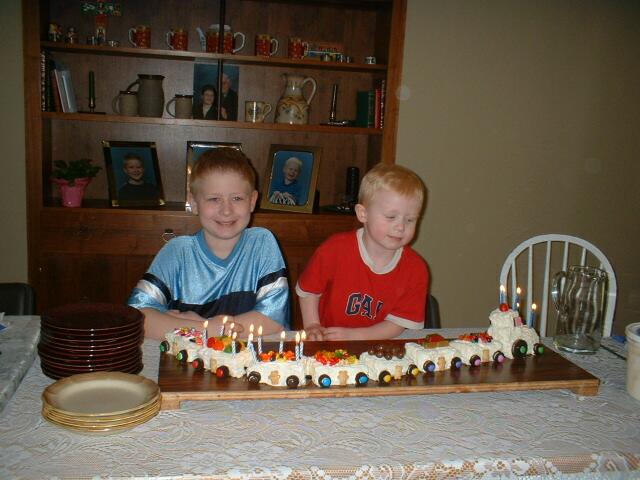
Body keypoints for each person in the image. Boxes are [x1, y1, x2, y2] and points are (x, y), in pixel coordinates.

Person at [128, 148, 290, 340]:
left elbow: (272, 321)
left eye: (237, 198)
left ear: (252, 201)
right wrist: (209, 329)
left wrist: (198, 328)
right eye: (214, 199)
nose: (226, 210)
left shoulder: (262, 243)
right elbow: (137, 319)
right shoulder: (177, 252)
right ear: (194, 202)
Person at [296, 163, 428, 341]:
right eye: (391, 217)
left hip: (381, 347)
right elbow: (309, 291)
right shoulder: (334, 249)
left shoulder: (416, 269)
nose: (401, 227)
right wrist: (312, 324)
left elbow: (397, 324)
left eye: (410, 220)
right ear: (363, 214)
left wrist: (354, 336)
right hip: (327, 344)